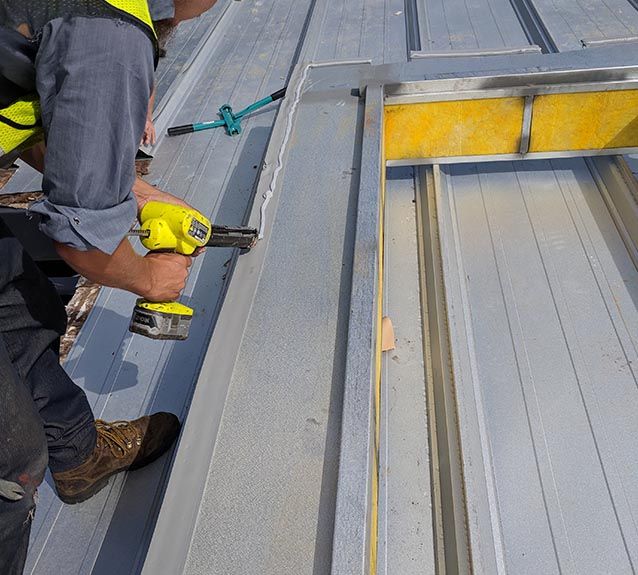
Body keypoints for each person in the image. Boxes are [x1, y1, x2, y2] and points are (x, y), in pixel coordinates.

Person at [0, 1, 216, 573]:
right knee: (11, 460)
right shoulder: (112, 33)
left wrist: (134, 193)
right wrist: (151, 277)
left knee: (17, 298)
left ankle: (78, 452)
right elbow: (81, 245)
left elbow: (31, 123)